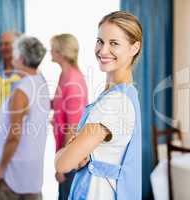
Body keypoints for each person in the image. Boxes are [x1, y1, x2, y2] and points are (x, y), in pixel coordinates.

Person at [55, 11, 142, 200]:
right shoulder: (123, 94)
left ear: (134, 48)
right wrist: (77, 151)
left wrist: (65, 154)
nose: (103, 51)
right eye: (100, 41)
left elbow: (62, 164)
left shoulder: (114, 103)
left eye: (114, 43)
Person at [0, 35, 50, 200]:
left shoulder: (21, 91)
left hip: (13, 174)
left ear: (20, 58)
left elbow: (14, 136)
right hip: (33, 170)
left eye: (14, 52)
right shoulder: (41, 82)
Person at [50, 33, 88, 200]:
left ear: (62, 52)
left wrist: (62, 166)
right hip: (63, 149)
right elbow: (58, 103)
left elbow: (72, 128)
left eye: (53, 48)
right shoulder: (63, 76)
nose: (49, 51)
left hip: (71, 154)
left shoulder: (73, 81)